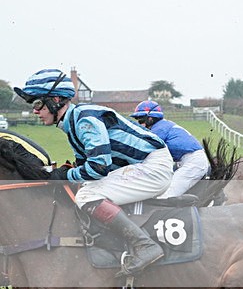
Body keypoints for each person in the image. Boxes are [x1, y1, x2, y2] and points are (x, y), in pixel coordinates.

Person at [14, 69, 173, 275]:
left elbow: (98, 167)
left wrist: (63, 175)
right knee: (84, 189)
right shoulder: (73, 122)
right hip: (143, 165)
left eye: (37, 104)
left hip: (153, 168)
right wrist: (66, 172)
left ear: (55, 100)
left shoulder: (83, 119)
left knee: (87, 195)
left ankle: (145, 246)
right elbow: (84, 166)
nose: (35, 111)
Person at [131, 101, 211, 198]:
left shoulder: (158, 130)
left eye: (140, 121)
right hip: (186, 161)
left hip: (193, 162)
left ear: (150, 119)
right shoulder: (162, 125)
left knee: (165, 195)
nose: (139, 125)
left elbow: (143, 150)